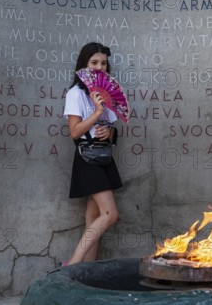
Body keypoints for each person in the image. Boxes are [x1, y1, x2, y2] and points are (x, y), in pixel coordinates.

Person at [63, 42, 122, 265]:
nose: (100, 67)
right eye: (94, 62)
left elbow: (112, 132)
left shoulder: (106, 94)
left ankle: (87, 270)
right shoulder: (76, 93)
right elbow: (74, 132)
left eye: (104, 63)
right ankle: (73, 263)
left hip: (104, 157)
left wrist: (108, 131)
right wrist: (98, 112)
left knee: (93, 217)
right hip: (87, 159)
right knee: (110, 214)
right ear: (84, 65)